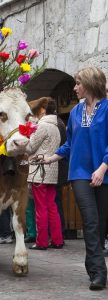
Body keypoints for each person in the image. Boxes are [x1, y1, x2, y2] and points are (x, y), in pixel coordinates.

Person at [44, 67, 108, 291]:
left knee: (100, 225)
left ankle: (92, 262)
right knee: (90, 221)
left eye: (78, 83)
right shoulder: (75, 112)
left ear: (89, 84)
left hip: (104, 173)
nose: (75, 87)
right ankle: (100, 273)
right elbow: (70, 144)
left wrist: (102, 169)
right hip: (80, 173)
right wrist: (51, 157)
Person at [26, 99, 64, 251]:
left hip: (39, 170)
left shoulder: (42, 125)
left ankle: (41, 241)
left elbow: (31, 147)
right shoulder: (57, 125)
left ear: (43, 110)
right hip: (52, 169)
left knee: (40, 207)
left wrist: (27, 134)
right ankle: (57, 239)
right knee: (51, 206)